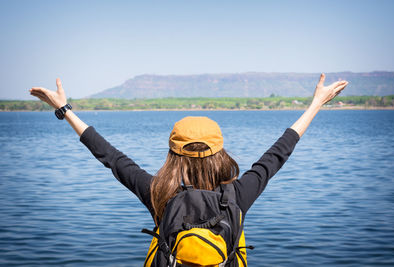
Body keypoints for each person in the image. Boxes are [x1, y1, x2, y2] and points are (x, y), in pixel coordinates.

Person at [29, 74, 348, 265]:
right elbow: (280, 150)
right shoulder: (238, 195)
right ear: (220, 153)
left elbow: (109, 155)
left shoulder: (159, 194)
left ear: (172, 154)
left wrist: (64, 110)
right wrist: (316, 104)